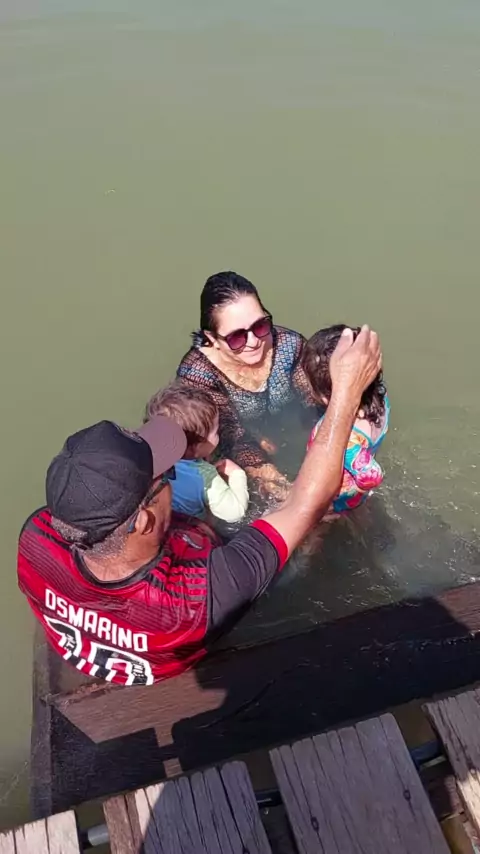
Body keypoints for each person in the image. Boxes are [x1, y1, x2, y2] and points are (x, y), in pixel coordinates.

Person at [17, 325, 381, 686]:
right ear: (142, 521)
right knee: (310, 535)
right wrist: (346, 393)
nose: (172, 472)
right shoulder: (197, 596)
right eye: (165, 475)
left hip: (106, 629)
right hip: (178, 651)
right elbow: (307, 503)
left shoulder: (36, 542)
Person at [176, 271, 317, 495]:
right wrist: (288, 493)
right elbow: (233, 439)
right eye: (236, 337)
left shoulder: (289, 346)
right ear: (212, 338)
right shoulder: (199, 375)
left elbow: (315, 401)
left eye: (260, 325)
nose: (254, 342)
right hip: (236, 447)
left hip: (290, 428)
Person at [302, 324, 390, 514]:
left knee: (315, 528)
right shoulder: (380, 399)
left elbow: (372, 476)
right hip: (358, 473)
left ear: (325, 398)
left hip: (334, 499)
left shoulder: (347, 441)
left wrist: (331, 503)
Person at [144, 382, 249, 524]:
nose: (218, 434)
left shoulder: (146, 455)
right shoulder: (204, 476)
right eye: (215, 432)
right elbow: (235, 513)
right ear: (196, 447)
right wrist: (237, 474)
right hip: (187, 526)